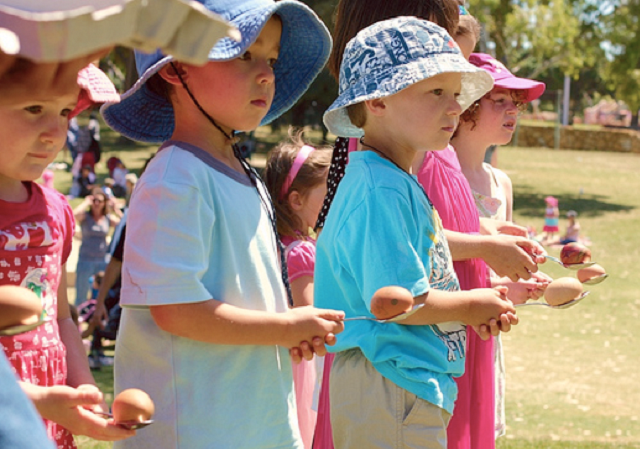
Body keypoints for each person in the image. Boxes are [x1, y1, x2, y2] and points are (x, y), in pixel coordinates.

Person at [101, 0, 344, 447]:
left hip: (253, 420)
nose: (267, 73)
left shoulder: (242, 174)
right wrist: (286, 328)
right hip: (195, 428)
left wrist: (288, 324)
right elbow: (176, 311)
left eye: (270, 59)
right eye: (242, 55)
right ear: (176, 71)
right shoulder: (175, 179)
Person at [315, 18, 519, 449]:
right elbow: (395, 302)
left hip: (402, 382)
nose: (455, 108)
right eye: (436, 92)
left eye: (455, 94)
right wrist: (470, 304)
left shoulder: (392, 179)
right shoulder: (381, 189)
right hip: (390, 383)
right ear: (377, 101)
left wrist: (474, 307)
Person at [0, 61, 133, 447]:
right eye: (34, 109)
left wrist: (84, 397)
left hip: (48, 410)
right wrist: (37, 401)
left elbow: (60, 319)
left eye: (63, 112)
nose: (54, 133)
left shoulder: (55, 210)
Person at [450, 52, 550, 440]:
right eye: (500, 101)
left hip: (487, 329)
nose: (514, 111)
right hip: (445, 327)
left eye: (517, 104)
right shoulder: (436, 170)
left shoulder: (500, 182)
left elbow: (493, 269)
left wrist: (523, 284)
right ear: (468, 106)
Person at [264, 129, 332, 449]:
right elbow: (308, 317)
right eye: (329, 190)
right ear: (296, 200)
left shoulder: (288, 245)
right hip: (309, 366)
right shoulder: (302, 251)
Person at [72, 187, 120, 304]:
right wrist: (85, 202)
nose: (97, 203)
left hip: (102, 260)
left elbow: (125, 225)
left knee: (103, 294)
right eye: (94, 200)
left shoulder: (107, 218)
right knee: (81, 294)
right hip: (85, 260)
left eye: (99, 200)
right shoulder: (85, 216)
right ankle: (79, 317)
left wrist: (116, 209)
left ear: (104, 203)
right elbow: (73, 215)